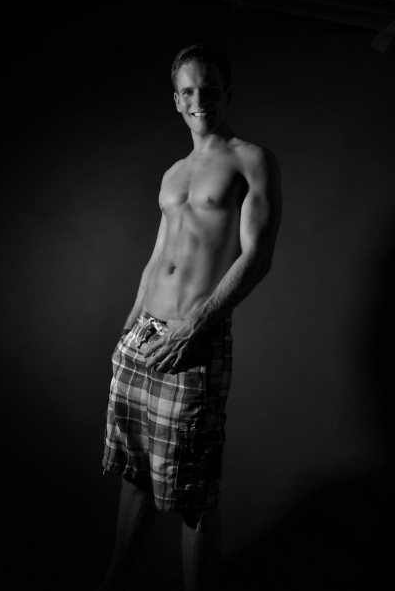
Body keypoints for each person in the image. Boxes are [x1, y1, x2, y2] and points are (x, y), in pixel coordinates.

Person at [99, 44, 281, 591]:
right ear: (176, 100)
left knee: (193, 495)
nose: (200, 99)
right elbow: (158, 257)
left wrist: (197, 326)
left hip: (193, 340)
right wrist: (129, 329)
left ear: (227, 92)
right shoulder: (173, 173)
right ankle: (113, 583)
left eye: (210, 88)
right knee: (135, 475)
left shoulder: (252, 160)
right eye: (189, 91)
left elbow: (258, 256)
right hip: (143, 337)